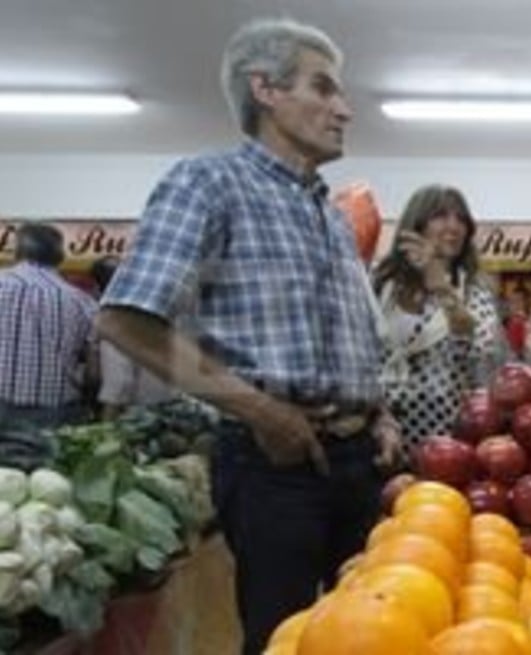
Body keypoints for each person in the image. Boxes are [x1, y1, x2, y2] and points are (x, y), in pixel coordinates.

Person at [94, 18, 400, 654]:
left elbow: (351, 336)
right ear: (265, 89)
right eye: (324, 88)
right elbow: (123, 319)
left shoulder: (332, 217)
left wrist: (380, 412)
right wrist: (259, 409)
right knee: (280, 638)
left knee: (378, 635)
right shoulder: (209, 184)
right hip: (272, 464)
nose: (344, 108)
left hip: (357, 463)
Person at [372, 185, 501, 450]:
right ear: (416, 224)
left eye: (461, 219)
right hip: (382, 431)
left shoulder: (473, 292)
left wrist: (440, 284)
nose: (454, 227)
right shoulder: (382, 285)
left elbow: (479, 350)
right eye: (441, 216)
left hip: (446, 439)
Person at [0, 223, 98, 429]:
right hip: (53, 415)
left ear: (17, 252)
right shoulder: (82, 301)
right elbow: (94, 370)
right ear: (59, 256)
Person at [89, 256, 175, 418]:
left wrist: (106, 426)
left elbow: (120, 383)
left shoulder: (115, 319)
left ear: (97, 287)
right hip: (167, 409)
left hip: (137, 414)